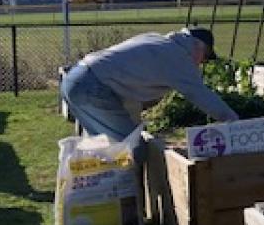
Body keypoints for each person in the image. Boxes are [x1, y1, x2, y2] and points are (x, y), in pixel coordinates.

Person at [61, 28, 238, 141]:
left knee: (103, 145)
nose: (201, 63)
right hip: (91, 87)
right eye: (204, 57)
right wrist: (234, 122)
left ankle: (102, 194)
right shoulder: (178, 58)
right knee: (132, 149)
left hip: (75, 78)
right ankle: (127, 197)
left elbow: (127, 81)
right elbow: (200, 95)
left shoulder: (157, 41)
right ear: (199, 47)